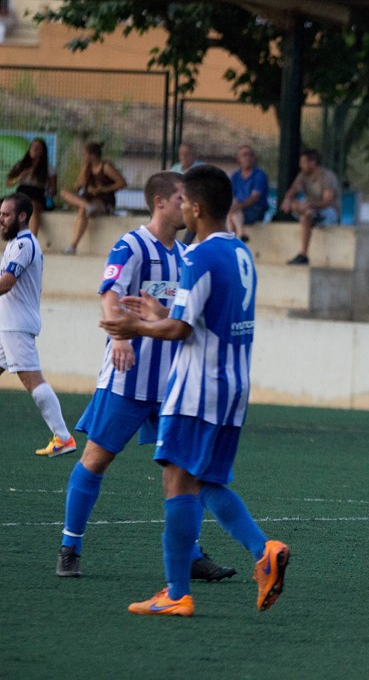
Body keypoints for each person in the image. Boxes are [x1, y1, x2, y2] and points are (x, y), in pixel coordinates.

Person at [100, 165, 289, 617]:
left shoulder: (199, 255)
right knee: (207, 481)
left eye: (185, 200)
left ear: (198, 208)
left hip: (197, 388)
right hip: (233, 387)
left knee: (177, 480)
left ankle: (176, 593)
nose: (181, 206)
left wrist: (135, 326)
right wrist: (160, 313)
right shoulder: (240, 252)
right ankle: (264, 551)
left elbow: (181, 330)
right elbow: (204, 315)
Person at [55, 171, 234, 583]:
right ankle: (69, 547)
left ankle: (191, 555)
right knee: (96, 459)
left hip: (174, 385)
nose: (188, 206)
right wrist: (119, 337)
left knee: (186, 469)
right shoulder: (131, 245)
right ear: (160, 202)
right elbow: (109, 295)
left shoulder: (186, 254)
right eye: (181, 198)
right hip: (128, 378)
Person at [0, 193, 76, 457]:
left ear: (21, 216)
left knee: (32, 380)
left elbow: (7, 283)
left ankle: (63, 438)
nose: (1, 219)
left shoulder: (24, 244)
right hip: (8, 324)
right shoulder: (16, 243)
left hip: (16, 325)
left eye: (6, 215)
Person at [59, 142, 126, 255]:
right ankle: (88, 207)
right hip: (88, 199)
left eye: (85, 154)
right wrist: (84, 171)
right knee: (64, 192)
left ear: (92, 155)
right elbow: (78, 186)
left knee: (82, 210)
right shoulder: (87, 167)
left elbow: (122, 183)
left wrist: (104, 189)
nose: (83, 157)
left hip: (103, 200)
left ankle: (73, 246)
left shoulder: (106, 167)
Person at [281, 149, 341, 265]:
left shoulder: (327, 176)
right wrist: (287, 199)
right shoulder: (303, 175)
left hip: (329, 211)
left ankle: (303, 254)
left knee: (307, 212)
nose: (300, 166)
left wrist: (310, 204)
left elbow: (327, 202)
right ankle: (309, 218)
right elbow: (293, 189)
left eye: (303, 163)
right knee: (299, 208)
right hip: (311, 209)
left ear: (312, 163)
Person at [6, 137, 55, 236]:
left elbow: (54, 189)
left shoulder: (48, 168)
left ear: (43, 151)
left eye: (38, 147)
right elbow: (8, 182)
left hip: (37, 192)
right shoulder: (21, 164)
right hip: (22, 190)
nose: (34, 149)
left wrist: (49, 189)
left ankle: (32, 238)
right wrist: (18, 178)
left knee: (32, 207)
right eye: (33, 146)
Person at [228, 144, 269, 241]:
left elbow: (255, 197)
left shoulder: (259, 175)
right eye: (244, 155)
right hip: (238, 211)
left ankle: (237, 235)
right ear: (238, 159)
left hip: (255, 210)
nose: (248, 158)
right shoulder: (235, 176)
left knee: (233, 212)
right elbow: (231, 196)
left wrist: (237, 206)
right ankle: (237, 236)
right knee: (229, 213)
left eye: (250, 155)